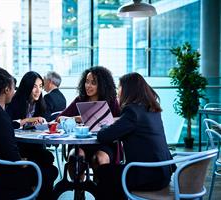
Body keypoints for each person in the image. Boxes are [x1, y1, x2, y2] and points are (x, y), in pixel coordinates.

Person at [0, 66, 56, 200]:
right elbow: (13, 158)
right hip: (0, 180)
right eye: (14, 87)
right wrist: (25, 161)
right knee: (50, 171)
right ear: (6, 89)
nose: (15, 91)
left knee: (43, 161)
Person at [95, 72, 176, 200]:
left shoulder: (132, 111)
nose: (117, 91)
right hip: (163, 173)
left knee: (103, 172)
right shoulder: (152, 109)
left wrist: (104, 127)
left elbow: (104, 136)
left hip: (148, 176)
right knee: (114, 174)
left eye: (119, 87)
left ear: (128, 89)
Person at [57, 66, 121, 178]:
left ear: (102, 85)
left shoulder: (111, 101)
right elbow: (59, 119)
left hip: (104, 143)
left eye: (93, 83)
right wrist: (78, 118)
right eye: (87, 82)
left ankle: (100, 190)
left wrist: (100, 118)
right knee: (75, 158)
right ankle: (79, 191)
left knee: (99, 159)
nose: (88, 86)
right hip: (81, 143)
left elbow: (122, 119)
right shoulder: (80, 100)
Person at [6, 71, 58, 198]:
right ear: (27, 86)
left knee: (49, 160)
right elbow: (7, 125)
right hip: (18, 148)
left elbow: (44, 122)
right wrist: (26, 121)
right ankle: (35, 190)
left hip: (33, 146)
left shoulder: (40, 104)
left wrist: (45, 124)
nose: (38, 90)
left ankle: (36, 190)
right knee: (49, 170)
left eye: (41, 86)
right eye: (35, 86)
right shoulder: (14, 102)